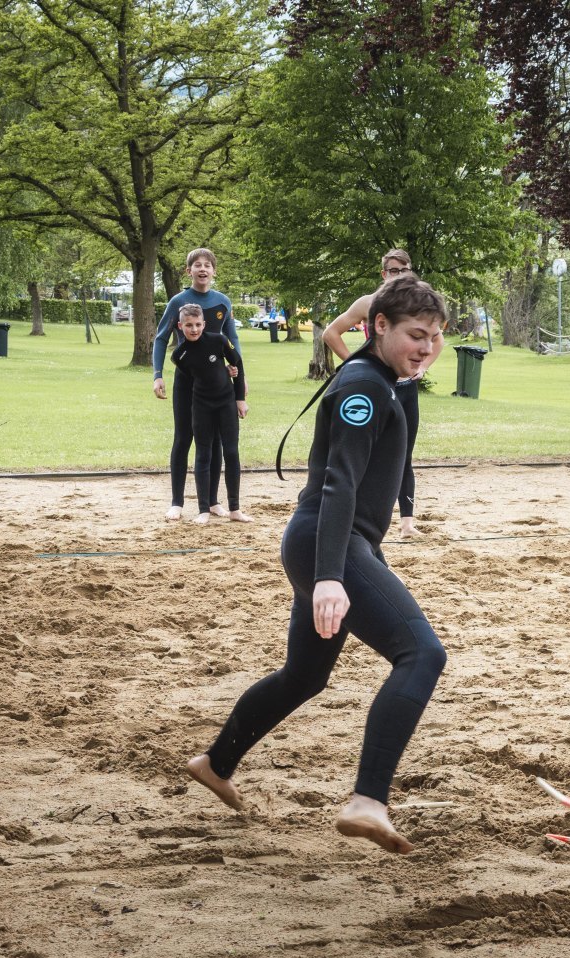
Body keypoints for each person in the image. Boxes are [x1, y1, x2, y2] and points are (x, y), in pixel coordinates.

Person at [187, 275, 450, 852]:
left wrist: (407, 372)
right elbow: (338, 483)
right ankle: (367, 800)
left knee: (305, 676)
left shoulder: (379, 379)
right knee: (422, 654)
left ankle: (217, 762)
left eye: (434, 337)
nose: (427, 347)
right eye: (415, 334)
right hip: (328, 544)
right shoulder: (362, 385)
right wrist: (330, 575)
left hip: (339, 544)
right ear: (378, 326)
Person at [322, 248, 443, 537]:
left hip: (404, 388)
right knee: (361, 454)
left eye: (403, 270)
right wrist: (356, 363)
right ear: (383, 273)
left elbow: (437, 341)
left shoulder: (417, 308)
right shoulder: (369, 303)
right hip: (377, 386)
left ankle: (407, 522)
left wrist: (422, 367)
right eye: (392, 270)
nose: (397, 275)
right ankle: (357, 520)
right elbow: (331, 333)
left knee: (403, 455)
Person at [152, 248, 244, 521]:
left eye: (207, 265)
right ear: (188, 270)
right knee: (184, 438)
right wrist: (157, 374)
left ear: (214, 271)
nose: (202, 269)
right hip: (187, 381)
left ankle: (213, 502)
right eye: (197, 265)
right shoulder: (178, 301)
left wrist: (241, 376)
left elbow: (233, 341)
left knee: (215, 442)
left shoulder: (223, 302)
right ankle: (177, 502)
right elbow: (160, 338)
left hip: (217, 382)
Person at [167, 303, 251, 523]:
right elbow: (197, 375)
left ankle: (235, 508)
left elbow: (237, 364)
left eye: (197, 324)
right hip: (201, 407)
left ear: (204, 324)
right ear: (180, 326)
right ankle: (203, 509)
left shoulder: (219, 340)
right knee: (203, 455)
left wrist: (240, 399)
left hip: (226, 404)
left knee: (231, 453)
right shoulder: (179, 355)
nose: (194, 329)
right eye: (188, 325)